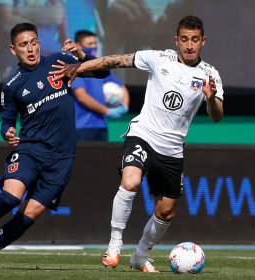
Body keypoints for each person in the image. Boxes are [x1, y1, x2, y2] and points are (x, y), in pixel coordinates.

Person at [50, 15, 224, 272]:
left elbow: (217, 116)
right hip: (143, 135)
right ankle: (114, 245)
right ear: (176, 40)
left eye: (195, 40)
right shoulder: (159, 59)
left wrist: (210, 99)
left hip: (172, 150)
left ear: (203, 41)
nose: (189, 45)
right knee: (130, 182)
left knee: (166, 212)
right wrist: (80, 68)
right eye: (184, 39)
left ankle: (140, 255)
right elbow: (114, 61)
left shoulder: (210, 75)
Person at [0, 22, 109, 270]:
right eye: (23, 44)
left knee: (27, 217)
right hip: (31, 149)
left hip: (62, 158)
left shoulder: (61, 61)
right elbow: (6, 123)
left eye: (34, 42)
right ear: (12, 49)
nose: (31, 49)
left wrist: (81, 56)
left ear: (39, 42)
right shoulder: (13, 85)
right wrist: (8, 133)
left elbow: (103, 72)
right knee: (10, 197)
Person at [72, 30, 129, 141]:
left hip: (101, 125)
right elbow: (81, 96)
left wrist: (124, 107)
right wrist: (107, 111)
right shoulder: (76, 66)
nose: (94, 47)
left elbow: (122, 88)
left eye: (95, 43)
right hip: (82, 127)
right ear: (78, 45)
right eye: (90, 44)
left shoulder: (100, 67)